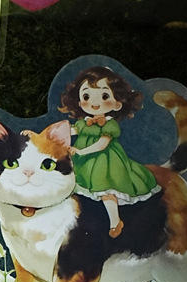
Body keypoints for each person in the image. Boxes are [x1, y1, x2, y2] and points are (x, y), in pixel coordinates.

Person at [58, 66, 159, 238]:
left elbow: (102, 144)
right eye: (86, 96)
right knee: (68, 185)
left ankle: (115, 222)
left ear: (117, 103)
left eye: (104, 96)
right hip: (84, 163)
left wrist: (81, 152)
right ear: (79, 101)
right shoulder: (84, 123)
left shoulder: (109, 125)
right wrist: (43, 136)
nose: (94, 103)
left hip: (106, 162)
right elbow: (69, 132)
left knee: (107, 191)